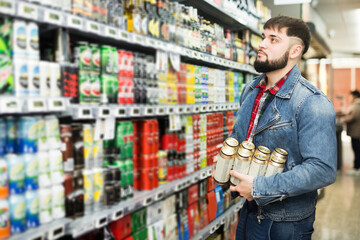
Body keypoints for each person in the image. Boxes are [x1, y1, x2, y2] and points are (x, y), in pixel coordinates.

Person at [213, 15, 337, 239]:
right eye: (263, 37)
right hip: (249, 211)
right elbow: (242, 138)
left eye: (273, 39)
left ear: (294, 51)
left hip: (285, 223)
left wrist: (259, 187)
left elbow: (322, 170)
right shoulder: (251, 91)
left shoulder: (312, 102)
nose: (261, 44)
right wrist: (226, 161)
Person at [340, 90, 360, 175]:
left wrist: (343, 119)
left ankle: (356, 168)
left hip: (356, 132)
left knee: (357, 150)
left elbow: (353, 116)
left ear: (355, 96)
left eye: (351, 96)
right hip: (356, 132)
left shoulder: (357, 104)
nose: (350, 98)